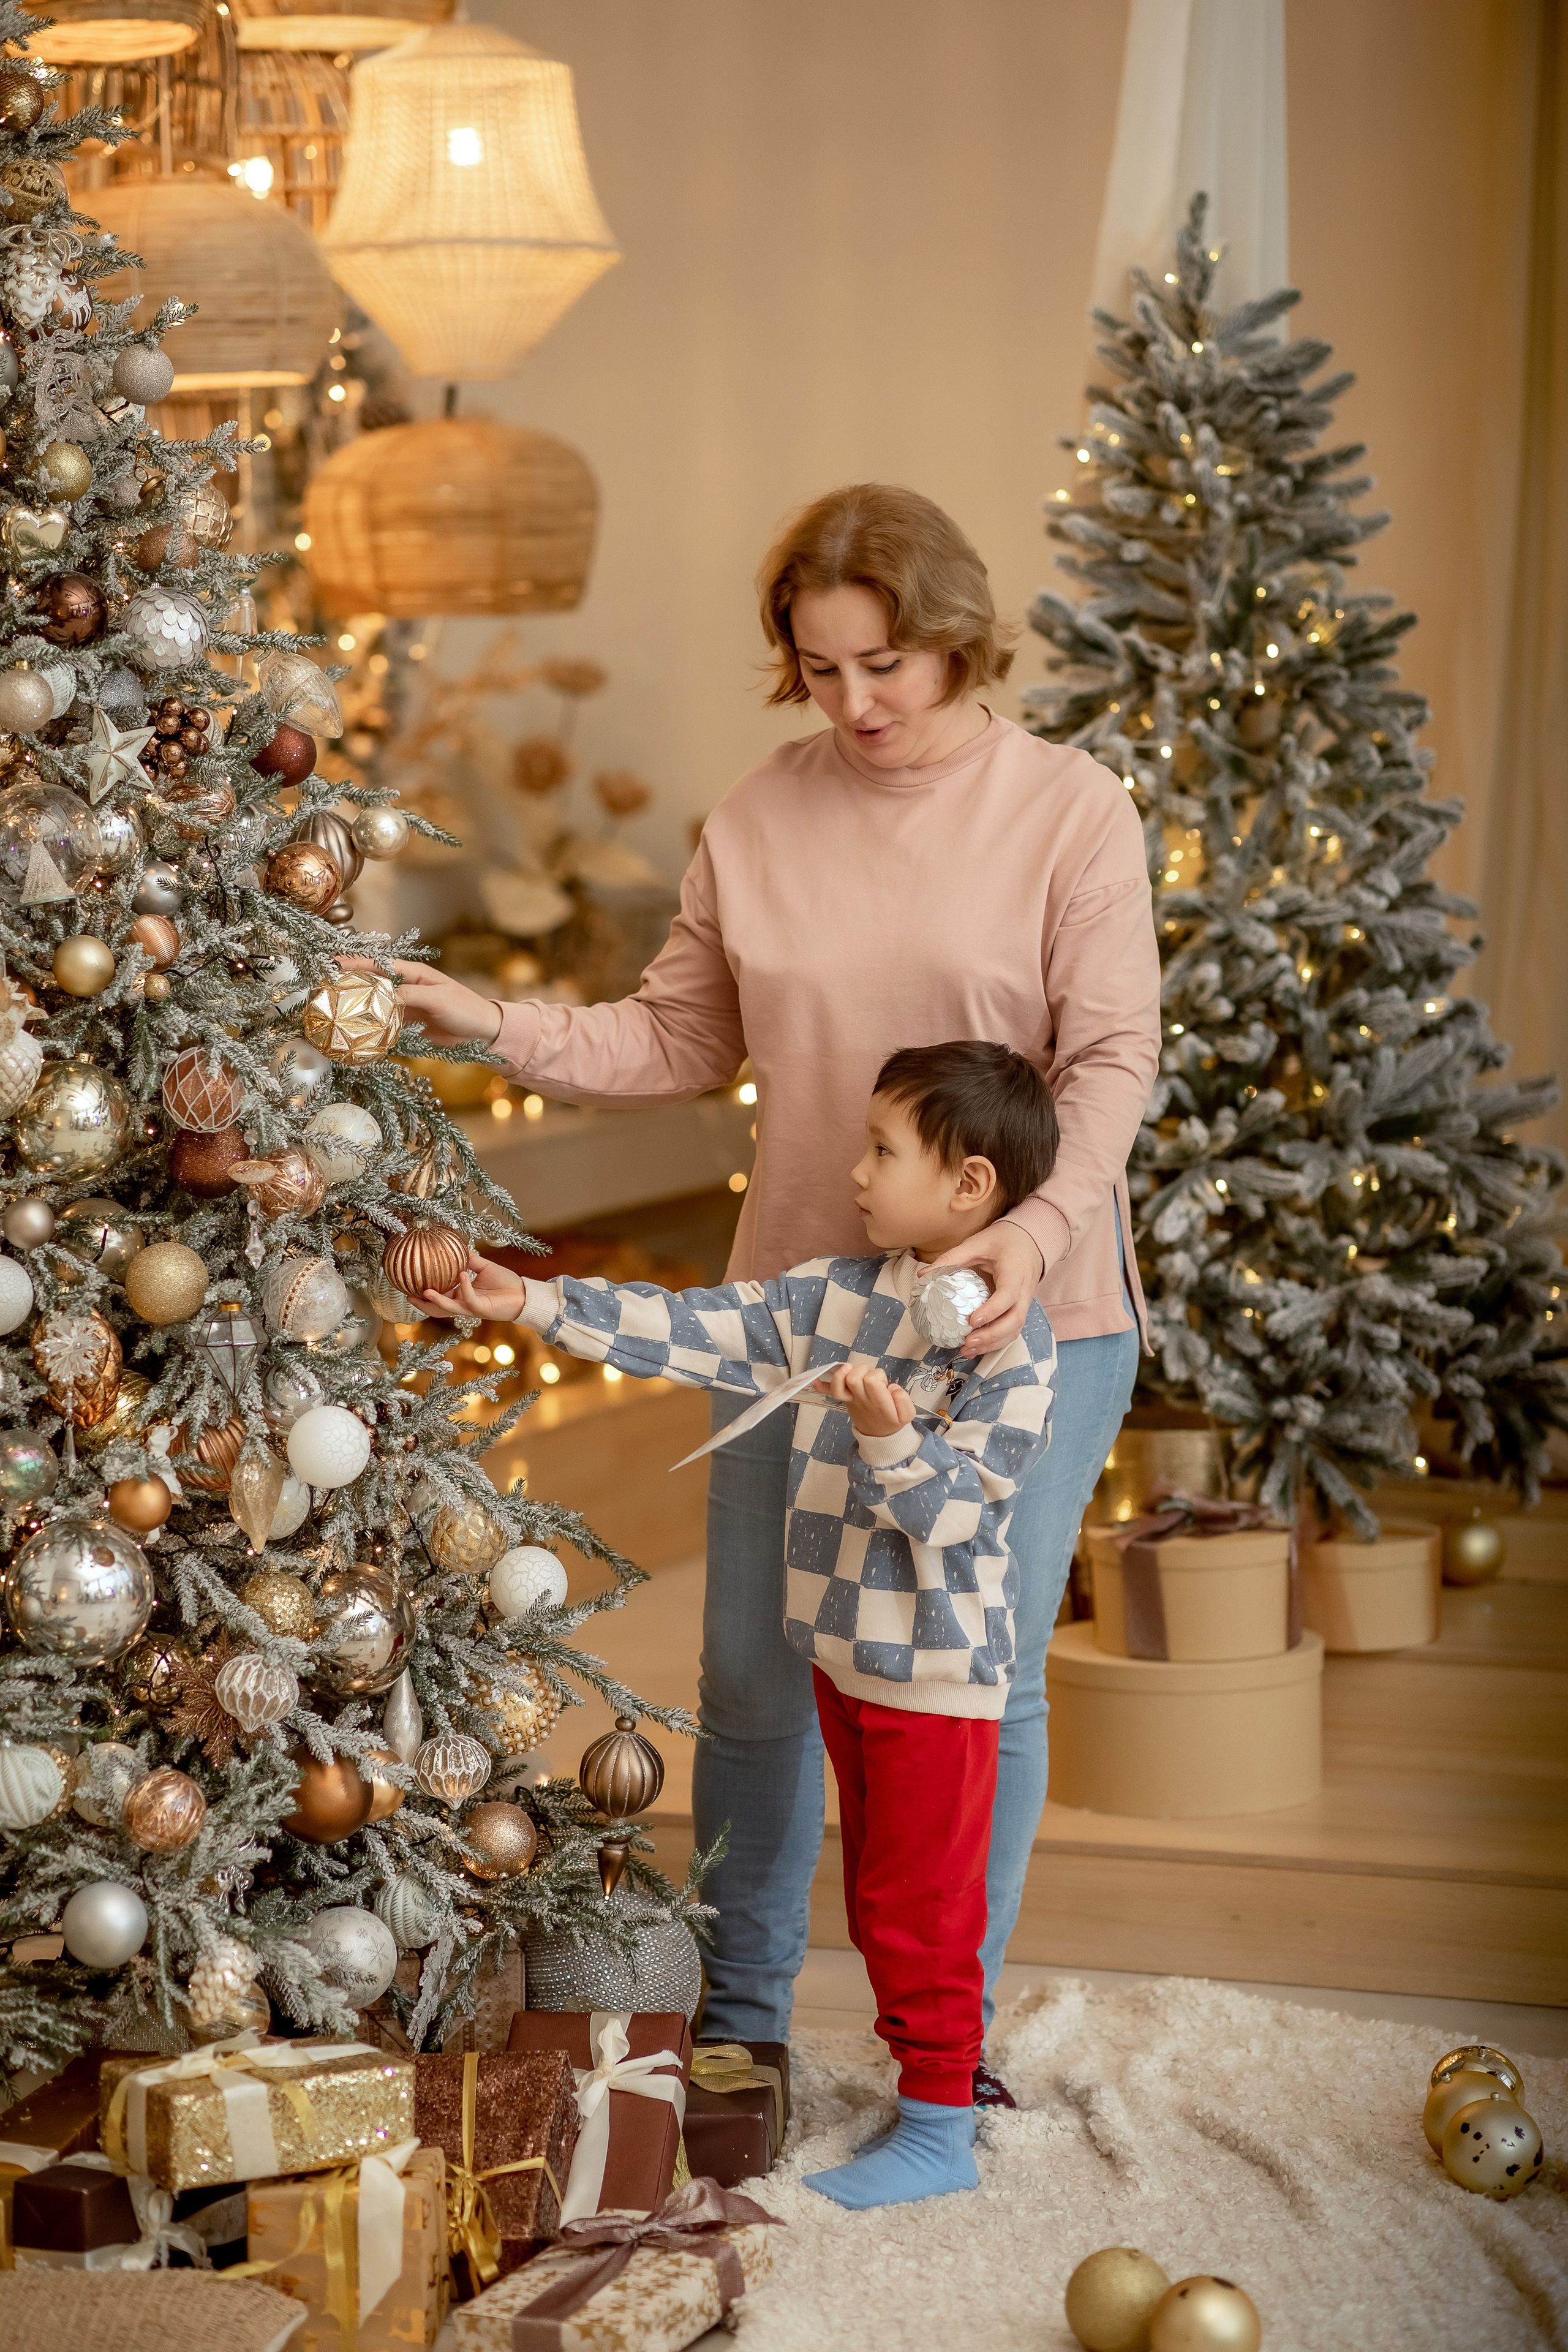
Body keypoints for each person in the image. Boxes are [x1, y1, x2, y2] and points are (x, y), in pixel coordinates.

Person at [379, 481, 1161, 2102]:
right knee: (751, 1676)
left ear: (957, 639)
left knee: (974, 1681)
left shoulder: (1071, 809)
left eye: (889, 666)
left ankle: (947, 2041)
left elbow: (1111, 1063)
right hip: (798, 1321)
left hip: (1026, 1317)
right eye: (822, 671)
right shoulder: (756, 818)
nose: (859, 703)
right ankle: (744, 2023)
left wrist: (1023, 1237)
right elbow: (675, 1043)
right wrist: (488, 1023)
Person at [421, 1041, 1059, 2207]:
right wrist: (535, 1301)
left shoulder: (1010, 1348)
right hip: (845, 1660)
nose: (856, 1171)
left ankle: (938, 2132)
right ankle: (929, 2094)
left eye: (883, 1150)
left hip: (934, 1678)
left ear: (969, 1186)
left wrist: (885, 1435)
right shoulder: (846, 1296)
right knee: (877, 1898)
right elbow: (701, 1325)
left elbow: (959, 1519)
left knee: (921, 1908)